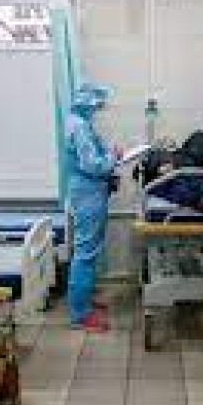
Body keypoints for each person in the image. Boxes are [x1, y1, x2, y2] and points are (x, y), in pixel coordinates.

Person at [65, 82, 121, 332]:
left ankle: (84, 302)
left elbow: (90, 155)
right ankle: (80, 315)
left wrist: (108, 154)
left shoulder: (77, 123)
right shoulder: (79, 127)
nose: (98, 108)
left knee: (88, 251)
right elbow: (93, 165)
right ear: (87, 102)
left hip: (87, 192)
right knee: (85, 254)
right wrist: (114, 157)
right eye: (97, 104)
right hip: (89, 193)